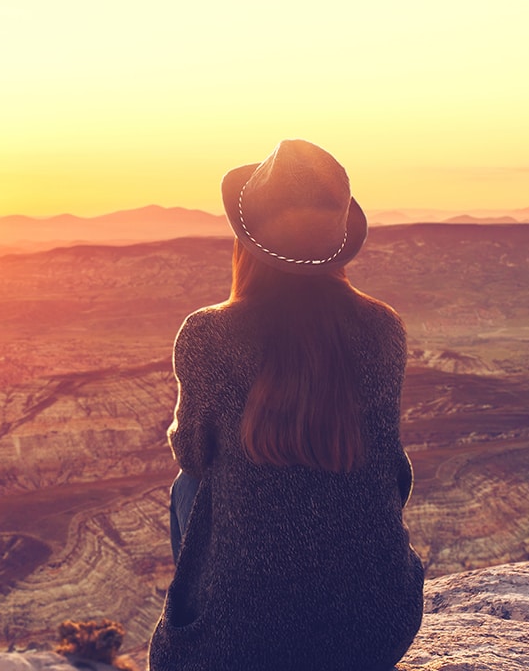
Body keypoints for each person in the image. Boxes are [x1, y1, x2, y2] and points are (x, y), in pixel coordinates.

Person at [148, 140, 424, 671]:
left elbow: (194, 454)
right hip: (375, 632)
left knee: (190, 488)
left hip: (238, 651)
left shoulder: (207, 333)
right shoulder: (383, 328)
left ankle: (215, 609)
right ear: (339, 243)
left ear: (246, 241)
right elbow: (391, 469)